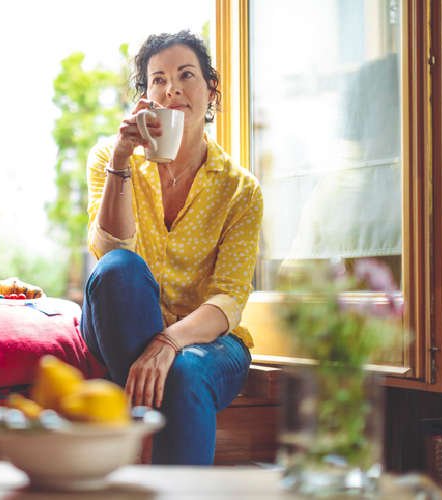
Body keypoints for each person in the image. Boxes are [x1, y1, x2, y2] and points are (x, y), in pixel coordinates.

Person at [80, 30, 264, 465]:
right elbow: (109, 248)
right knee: (121, 266)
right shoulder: (109, 157)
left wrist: (168, 341)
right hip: (118, 318)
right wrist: (123, 159)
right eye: (158, 80)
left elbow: (228, 299)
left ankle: (149, 419)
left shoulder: (241, 190)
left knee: (186, 372)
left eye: (186, 75)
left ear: (210, 89)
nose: (173, 88)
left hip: (208, 340)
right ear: (147, 97)